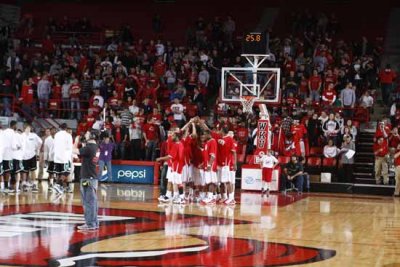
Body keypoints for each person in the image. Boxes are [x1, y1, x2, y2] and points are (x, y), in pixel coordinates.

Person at [74, 131, 100, 231]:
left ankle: (90, 224)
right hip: (92, 177)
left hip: (88, 178)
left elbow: (75, 151)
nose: (85, 135)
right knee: (92, 202)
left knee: (88, 202)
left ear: (92, 136)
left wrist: (76, 142)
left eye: (87, 134)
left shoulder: (89, 148)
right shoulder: (95, 147)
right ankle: (94, 222)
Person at [21, 123, 42, 192]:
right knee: (24, 171)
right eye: (26, 128)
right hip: (23, 156)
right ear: (24, 128)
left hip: (32, 155)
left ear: (30, 128)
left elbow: (40, 142)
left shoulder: (34, 135)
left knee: (33, 170)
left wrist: (37, 149)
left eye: (29, 128)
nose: (28, 129)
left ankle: (33, 184)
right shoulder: (21, 136)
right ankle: (24, 184)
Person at [53, 123, 73, 193]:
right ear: (66, 128)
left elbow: (54, 145)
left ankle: (60, 187)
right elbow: (69, 147)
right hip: (65, 158)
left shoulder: (56, 135)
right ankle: (58, 184)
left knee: (59, 173)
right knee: (66, 172)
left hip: (57, 157)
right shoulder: (68, 136)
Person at [2, 121, 17, 193]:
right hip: (8, 155)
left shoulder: (4, 132)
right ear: (14, 126)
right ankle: (6, 186)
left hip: (2, 154)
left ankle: (4, 186)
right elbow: (14, 146)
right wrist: (17, 147)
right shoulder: (13, 133)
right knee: (7, 171)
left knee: (2, 171)